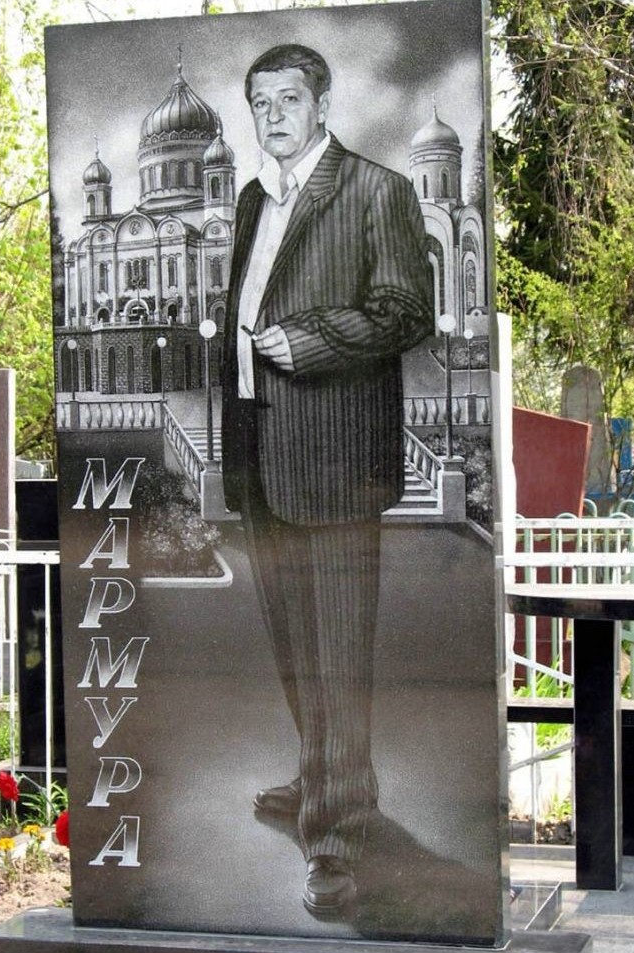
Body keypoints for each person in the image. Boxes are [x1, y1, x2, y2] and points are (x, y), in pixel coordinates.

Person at [221, 43, 434, 915]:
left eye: (288, 98)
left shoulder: (378, 191)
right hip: (262, 457)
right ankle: (322, 777)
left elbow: (407, 311)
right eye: (260, 101)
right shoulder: (252, 199)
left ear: (321, 104)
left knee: (339, 653)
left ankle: (339, 835)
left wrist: (307, 340)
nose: (273, 115)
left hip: (337, 460)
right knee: (294, 646)